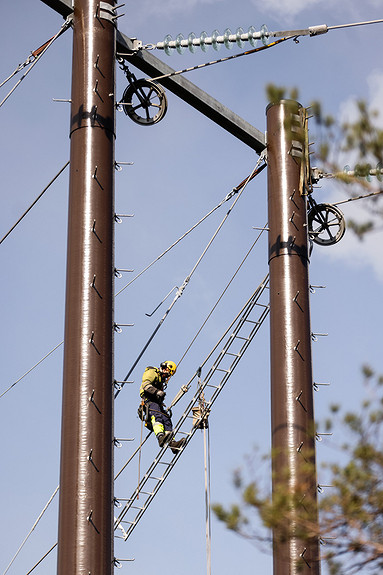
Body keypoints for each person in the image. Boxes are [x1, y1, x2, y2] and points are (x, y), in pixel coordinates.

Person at [139, 361, 186, 454]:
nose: (166, 377)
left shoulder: (161, 379)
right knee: (157, 417)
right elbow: (145, 385)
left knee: (166, 419)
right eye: (167, 374)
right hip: (149, 401)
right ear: (164, 368)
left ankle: (173, 444)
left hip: (157, 403)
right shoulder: (152, 372)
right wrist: (157, 392)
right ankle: (160, 438)